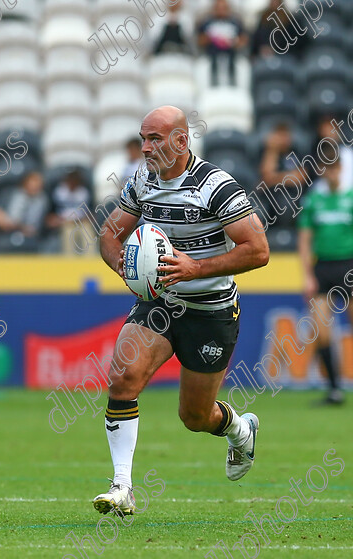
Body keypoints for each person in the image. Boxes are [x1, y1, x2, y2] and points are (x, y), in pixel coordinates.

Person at [93, 105, 269, 516]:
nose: (146, 148)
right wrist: (122, 264)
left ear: (181, 140)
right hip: (160, 305)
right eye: (143, 138)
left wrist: (195, 268)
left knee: (194, 416)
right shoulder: (142, 180)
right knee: (123, 376)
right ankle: (122, 487)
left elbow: (258, 251)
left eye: (155, 139)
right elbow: (109, 233)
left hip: (211, 310)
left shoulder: (217, 187)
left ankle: (240, 430)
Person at [297, 158, 352, 405]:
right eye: (326, 169)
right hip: (323, 269)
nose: (330, 174)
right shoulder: (314, 200)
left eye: (334, 168)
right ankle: (334, 390)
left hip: (348, 264)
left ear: (340, 169)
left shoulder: (350, 196)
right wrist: (308, 275)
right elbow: (305, 239)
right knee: (321, 330)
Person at [258, 122, 310, 226]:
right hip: (271, 202)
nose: (283, 139)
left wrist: (275, 179)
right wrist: (272, 150)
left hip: (296, 198)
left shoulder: (297, 152)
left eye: (285, 135)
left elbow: (301, 177)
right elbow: (266, 176)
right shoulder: (265, 153)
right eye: (279, 136)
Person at [197, 0, 247, 87]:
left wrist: (233, 41)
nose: (221, 11)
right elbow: (199, 40)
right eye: (218, 8)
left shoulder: (235, 22)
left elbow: (244, 40)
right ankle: (213, 83)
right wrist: (210, 38)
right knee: (212, 60)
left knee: (233, 60)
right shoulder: (207, 22)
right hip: (212, 52)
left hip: (231, 51)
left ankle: (233, 83)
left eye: (224, 8)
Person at [45, 169, 94, 255]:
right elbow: (50, 215)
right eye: (70, 179)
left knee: (87, 230)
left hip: (82, 221)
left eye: (75, 180)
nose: (72, 182)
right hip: (63, 222)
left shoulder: (84, 192)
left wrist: (86, 219)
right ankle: (69, 260)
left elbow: (92, 213)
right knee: (68, 232)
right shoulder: (58, 192)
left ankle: (90, 260)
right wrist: (56, 220)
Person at [0, 170, 49, 239]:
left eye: (37, 185)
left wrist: (20, 227)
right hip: (5, 232)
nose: (34, 187)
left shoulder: (43, 201)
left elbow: (36, 227)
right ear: (25, 183)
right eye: (32, 183)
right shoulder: (9, 194)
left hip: (30, 238)